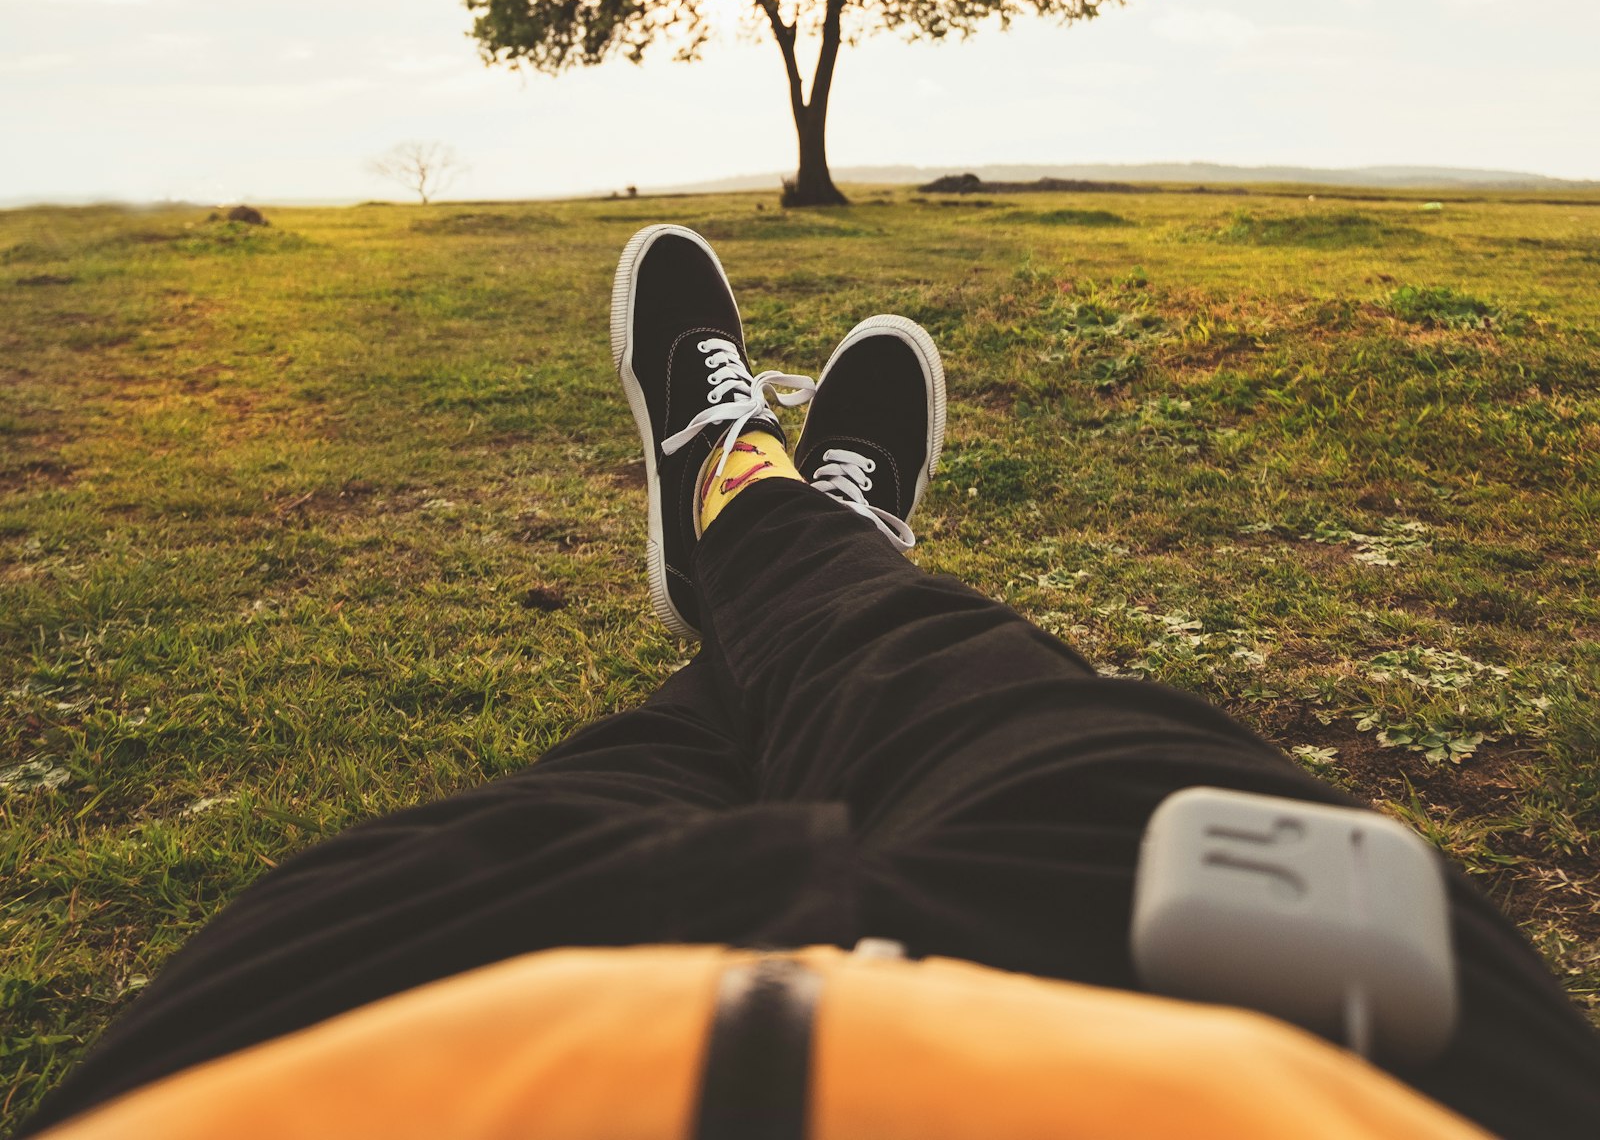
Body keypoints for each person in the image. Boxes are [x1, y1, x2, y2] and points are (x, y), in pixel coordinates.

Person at [29, 225, 1600, 1140]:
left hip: (330, 1070)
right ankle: (794, 528)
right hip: (1284, 1064)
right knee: (937, 679)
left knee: (636, 769)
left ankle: (742, 491)